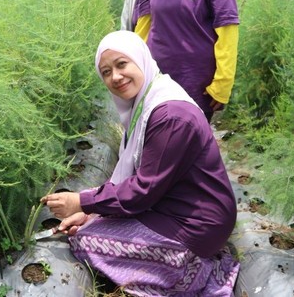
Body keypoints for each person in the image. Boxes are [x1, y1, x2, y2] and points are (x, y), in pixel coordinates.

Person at [41, 31, 239, 296]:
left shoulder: (170, 117)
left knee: (85, 241)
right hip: (175, 205)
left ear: (141, 59)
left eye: (122, 64)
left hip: (198, 225)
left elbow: (143, 190)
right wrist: (92, 213)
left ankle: (193, 274)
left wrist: (82, 201)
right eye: (106, 72)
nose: (116, 77)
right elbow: (141, 181)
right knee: (90, 226)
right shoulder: (148, 101)